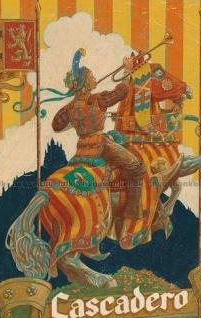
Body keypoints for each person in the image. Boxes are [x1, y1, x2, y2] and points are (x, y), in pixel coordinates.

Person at [52, 49, 147, 243]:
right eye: (92, 77)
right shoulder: (97, 99)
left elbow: (56, 126)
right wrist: (128, 71)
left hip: (81, 149)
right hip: (100, 145)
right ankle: (132, 214)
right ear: (87, 83)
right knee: (137, 166)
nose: (95, 78)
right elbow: (121, 92)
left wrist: (75, 114)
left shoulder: (70, 107)